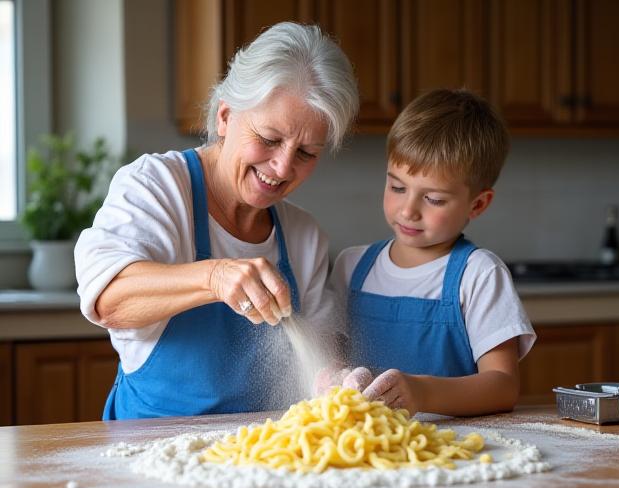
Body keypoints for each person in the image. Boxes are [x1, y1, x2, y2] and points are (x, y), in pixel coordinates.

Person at [74, 22, 359, 420]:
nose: (282, 167)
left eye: (306, 153)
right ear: (225, 116)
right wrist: (215, 277)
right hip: (146, 457)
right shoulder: (158, 187)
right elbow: (109, 302)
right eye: (270, 138)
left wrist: (339, 382)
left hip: (258, 460)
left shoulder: (303, 237)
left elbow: (318, 368)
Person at [327, 89, 536, 417]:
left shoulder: (479, 274)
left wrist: (421, 392)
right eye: (397, 187)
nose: (408, 210)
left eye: (434, 199)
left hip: (451, 454)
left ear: (477, 204)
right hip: (365, 454)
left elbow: (503, 385)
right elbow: (330, 357)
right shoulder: (351, 267)